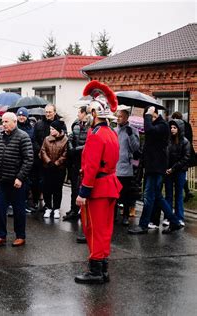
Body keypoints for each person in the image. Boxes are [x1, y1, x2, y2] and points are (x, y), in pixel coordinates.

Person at [74, 81, 122, 284]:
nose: (85, 116)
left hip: (97, 188)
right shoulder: (111, 132)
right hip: (109, 184)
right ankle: (102, 269)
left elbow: (92, 167)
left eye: (87, 112)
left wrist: (83, 193)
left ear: (94, 113)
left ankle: (95, 270)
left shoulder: (95, 136)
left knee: (92, 229)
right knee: (104, 229)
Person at [128, 106, 184, 235]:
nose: (147, 119)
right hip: (151, 167)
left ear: (155, 114)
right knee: (157, 197)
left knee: (149, 196)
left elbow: (149, 131)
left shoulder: (162, 126)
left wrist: (147, 116)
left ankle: (143, 225)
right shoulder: (155, 125)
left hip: (157, 168)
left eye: (149, 116)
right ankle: (174, 222)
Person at [0, 112, 33, 247]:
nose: (4, 124)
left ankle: (20, 236)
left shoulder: (23, 137)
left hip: (17, 182)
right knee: (0, 208)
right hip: (2, 180)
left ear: (15, 122)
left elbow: (28, 159)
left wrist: (20, 177)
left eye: (6, 122)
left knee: (18, 209)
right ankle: (0, 236)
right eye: (3, 122)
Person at [32, 104, 62, 212]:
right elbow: (34, 140)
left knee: (55, 184)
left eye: (50, 112)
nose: (48, 114)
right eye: (46, 112)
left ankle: (55, 206)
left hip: (56, 160)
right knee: (43, 183)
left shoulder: (61, 124)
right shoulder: (38, 124)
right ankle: (45, 204)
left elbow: (64, 140)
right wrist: (42, 151)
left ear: (54, 112)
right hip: (41, 159)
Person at [114, 105, 140, 226]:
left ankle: (125, 216)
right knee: (113, 194)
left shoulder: (133, 130)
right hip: (114, 167)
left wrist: (131, 135)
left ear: (126, 117)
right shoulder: (114, 130)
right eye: (117, 116)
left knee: (125, 194)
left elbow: (135, 148)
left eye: (121, 116)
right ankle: (113, 216)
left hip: (126, 167)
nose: (118, 119)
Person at [63, 106, 89, 221]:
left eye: (79, 112)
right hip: (75, 160)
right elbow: (70, 138)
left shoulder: (90, 127)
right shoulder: (76, 124)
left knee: (81, 187)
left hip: (84, 160)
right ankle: (73, 209)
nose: (77, 114)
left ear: (85, 113)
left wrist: (76, 149)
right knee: (74, 187)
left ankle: (80, 210)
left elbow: (89, 144)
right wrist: (71, 148)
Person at [164, 119, 191, 226]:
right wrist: (166, 168)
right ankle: (168, 217)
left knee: (179, 195)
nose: (172, 129)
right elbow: (165, 155)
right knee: (168, 195)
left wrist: (173, 168)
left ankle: (179, 217)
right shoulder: (168, 141)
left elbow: (186, 158)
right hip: (168, 171)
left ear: (179, 129)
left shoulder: (185, 142)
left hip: (179, 171)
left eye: (174, 128)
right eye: (171, 127)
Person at [40, 120, 68, 219]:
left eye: (52, 129)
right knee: (47, 188)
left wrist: (56, 163)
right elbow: (43, 151)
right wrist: (48, 162)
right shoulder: (47, 139)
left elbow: (65, 154)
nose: (50, 130)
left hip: (59, 169)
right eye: (50, 129)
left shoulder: (65, 140)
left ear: (58, 130)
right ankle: (48, 207)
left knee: (57, 189)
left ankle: (56, 209)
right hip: (47, 168)